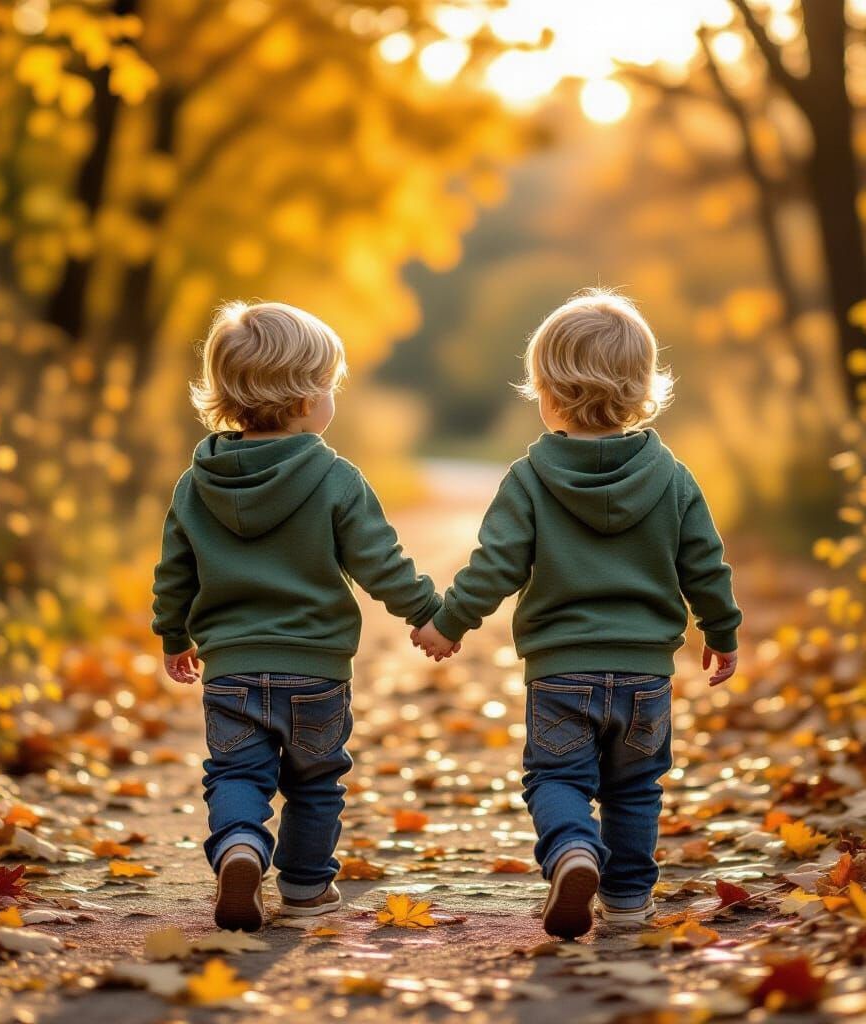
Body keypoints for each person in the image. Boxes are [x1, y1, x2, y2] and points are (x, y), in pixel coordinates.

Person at [412, 289, 741, 939]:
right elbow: (703, 563)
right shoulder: (671, 477)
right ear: (643, 388)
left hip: (561, 673)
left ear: (547, 390)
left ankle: (571, 851)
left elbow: (496, 565)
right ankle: (626, 904)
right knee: (636, 787)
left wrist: (446, 622)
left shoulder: (530, 476)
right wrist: (721, 630)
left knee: (556, 775)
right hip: (645, 674)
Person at [153, 301, 447, 930]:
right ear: (308, 397)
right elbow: (380, 560)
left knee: (235, 771)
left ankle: (239, 846)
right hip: (316, 672)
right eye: (330, 385)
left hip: (231, 670)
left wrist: (174, 634)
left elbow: (175, 572)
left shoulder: (195, 482)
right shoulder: (334, 477)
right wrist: (427, 613)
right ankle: (307, 889)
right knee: (315, 782)